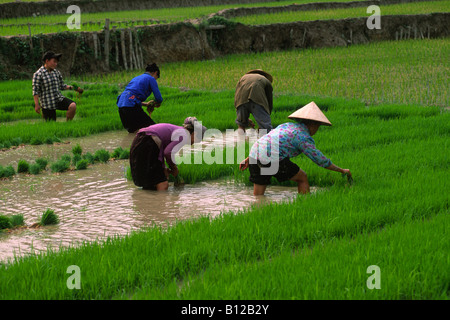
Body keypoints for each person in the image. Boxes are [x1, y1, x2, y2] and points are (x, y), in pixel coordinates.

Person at [239, 101, 352, 196]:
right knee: (302, 178)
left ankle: (257, 211)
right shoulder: (303, 137)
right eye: (318, 126)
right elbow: (320, 160)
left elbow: (268, 141)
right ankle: (305, 205)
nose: (317, 129)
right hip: (272, 158)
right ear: (313, 125)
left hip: (255, 152)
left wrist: (250, 158)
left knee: (258, 196)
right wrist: (341, 170)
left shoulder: (286, 125)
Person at [129, 117, 207, 191]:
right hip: (148, 142)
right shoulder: (184, 135)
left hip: (139, 141)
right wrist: (174, 168)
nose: (194, 143)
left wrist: (164, 167)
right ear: (194, 133)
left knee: (151, 183)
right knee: (163, 184)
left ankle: (150, 203)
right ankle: (162, 203)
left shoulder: (179, 130)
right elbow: (168, 152)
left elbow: (160, 152)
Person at [32, 51, 83, 121]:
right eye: (54, 62)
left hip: (58, 99)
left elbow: (61, 86)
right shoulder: (38, 74)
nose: (56, 64)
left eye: (57, 62)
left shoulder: (56, 72)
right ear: (47, 61)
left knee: (73, 106)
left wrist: (74, 88)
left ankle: (68, 125)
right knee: (51, 125)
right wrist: (37, 105)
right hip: (48, 103)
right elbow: (35, 91)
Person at [117, 63, 163, 133]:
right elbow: (158, 98)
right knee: (153, 129)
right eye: (157, 77)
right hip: (131, 107)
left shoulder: (136, 78)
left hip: (121, 106)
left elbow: (131, 97)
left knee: (133, 131)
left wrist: (146, 104)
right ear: (155, 73)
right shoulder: (151, 79)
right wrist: (157, 103)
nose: (155, 79)